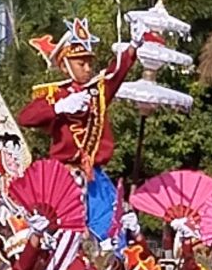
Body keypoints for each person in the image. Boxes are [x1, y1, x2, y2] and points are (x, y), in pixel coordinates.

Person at [19, 17, 145, 179]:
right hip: (62, 175)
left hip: (93, 175)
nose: (87, 69)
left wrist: (132, 47)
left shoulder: (97, 92)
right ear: (65, 66)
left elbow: (116, 72)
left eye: (89, 64)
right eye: (81, 64)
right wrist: (58, 107)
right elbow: (25, 118)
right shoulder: (55, 94)